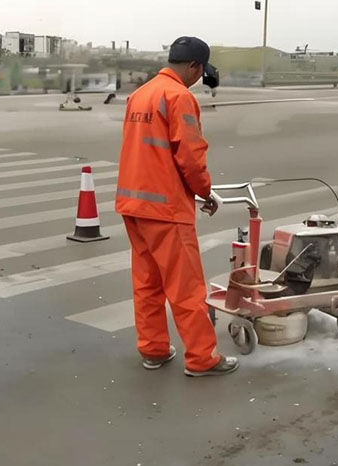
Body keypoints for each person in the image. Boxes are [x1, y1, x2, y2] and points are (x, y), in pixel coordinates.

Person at [115, 36, 238, 377]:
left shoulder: (141, 94)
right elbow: (190, 155)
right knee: (186, 289)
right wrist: (205, 192)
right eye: (201, 72)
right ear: (195, 66)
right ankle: (202, 358)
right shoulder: (179, 97)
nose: (200, 79)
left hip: (133, 203)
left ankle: (153, 350)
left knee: (147, 283)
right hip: (165, 209)